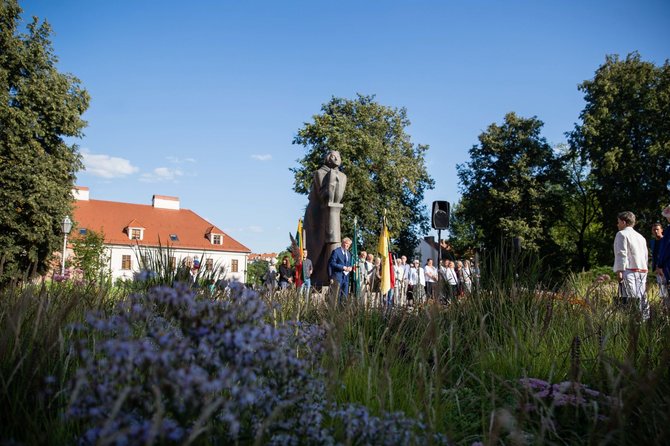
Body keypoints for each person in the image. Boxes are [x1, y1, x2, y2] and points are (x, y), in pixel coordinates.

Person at [303, 150, 348, 286]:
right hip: (317, 215)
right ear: (328, 158)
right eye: (333, 156)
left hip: (333, 213)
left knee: (331, 241)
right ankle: (318, 278)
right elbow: (324, 195)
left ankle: (330, 278)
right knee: (317, 245)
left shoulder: (342, 176)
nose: (336, 158)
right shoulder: (320, 173)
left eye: (338, 156)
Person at [613, 211, 649, 319]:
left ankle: (633, 323)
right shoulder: (641, 237)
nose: (617, 224)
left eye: (618, 222)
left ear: (624, 222)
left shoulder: (621, 234)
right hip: (642, 270)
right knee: (642, 297)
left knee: (630, 299)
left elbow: (621, 253)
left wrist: (619, 271)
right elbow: (645, 255)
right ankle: (644, 321)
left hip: (628, 270)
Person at [328, 237, 354, 304]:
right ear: (343, 243)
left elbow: (350, 264)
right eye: (347, 244)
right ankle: (335, 312)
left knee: (345, 296)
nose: (348, 246)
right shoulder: (336, 251)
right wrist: (342, 267)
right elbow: (332, 263)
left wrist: (350, 267)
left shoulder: (349, 254)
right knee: (337, 296)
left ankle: (343, 312)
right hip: (338, 276)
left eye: (349, 245)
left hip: (346, 278)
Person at [655, 206, 670, 307]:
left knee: (666, 297)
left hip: (668, 266)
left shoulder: (669, 231)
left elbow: (666, 249)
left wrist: (659, 265)